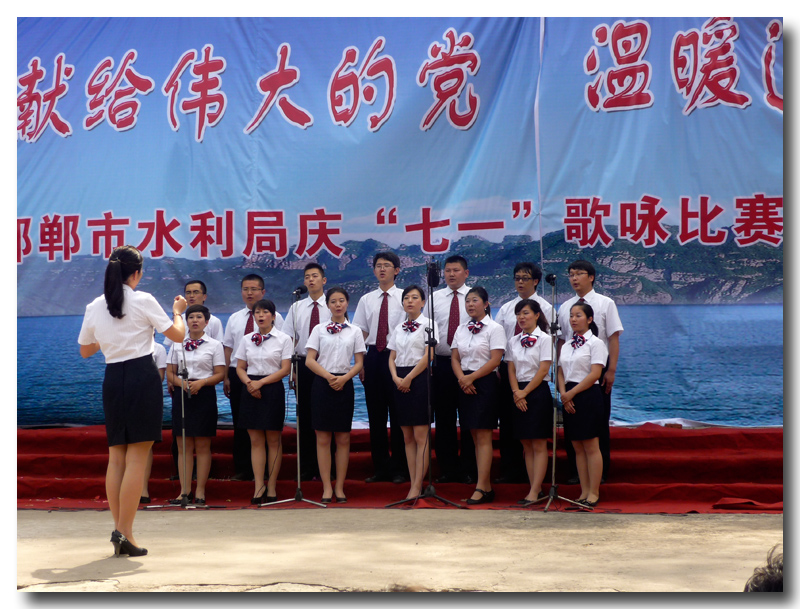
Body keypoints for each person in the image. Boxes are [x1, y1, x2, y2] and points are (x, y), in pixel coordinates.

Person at [78, 245, 187, 557]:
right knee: (137, 457)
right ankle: (124, 532)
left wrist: (110, 338)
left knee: (117, 458)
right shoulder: (143, 300)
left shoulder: (95, 305)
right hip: (141, 375)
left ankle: (120, 530)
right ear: (136, 273)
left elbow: (85, 350)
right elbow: (178, 335)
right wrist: (178, 312)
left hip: (113, 378)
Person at [556, 260, 623, 484]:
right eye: (571, 274)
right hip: (570, 368)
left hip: (596, 368)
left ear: (591, 277)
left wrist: (611, 370)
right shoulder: (565, 307)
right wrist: (559, 373)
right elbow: (561, 341)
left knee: (597, 423)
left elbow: (613, 338)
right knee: (572, 423)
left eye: (579, 274)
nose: (574, 278)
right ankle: (577, 472)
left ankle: (600, 473)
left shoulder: (605, 303)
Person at [494, 262, 554, 483]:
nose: (520, 282)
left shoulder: (546, 308)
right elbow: (498, 338)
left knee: (535, 432)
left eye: (525, 278)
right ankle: (510, 470)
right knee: (509, 423)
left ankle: (535, 480)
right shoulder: (506, 308)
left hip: (535, 372)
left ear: (536, 281)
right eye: (517, 278)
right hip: (511, 369)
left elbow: (552, 344)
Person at [306, 287, 366, 503]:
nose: (338, 305)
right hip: (323, 384)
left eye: (341, 301)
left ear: (347, 303)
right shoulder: (318, 329)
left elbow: (359, 362)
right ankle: (326, 487)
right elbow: (309, 360)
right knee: (322, 437)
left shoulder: (355, 331)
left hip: (344, 384)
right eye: (333, 301)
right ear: (328, 305)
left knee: (343, 437)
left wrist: (344, 378)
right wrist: (329, 377)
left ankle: (339, 486)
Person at [222, 274, 285, 481]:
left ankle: (268, 471)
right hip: (240, 374)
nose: (249, 293)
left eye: (254, 289)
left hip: (268, 375)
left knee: (268, 427)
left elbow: (282, 346)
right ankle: (244, 469)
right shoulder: (234, 318)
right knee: (242, 423)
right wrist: (226, 376)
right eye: (245, 289)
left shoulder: (277, 318)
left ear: (262, 292)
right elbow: (228, 348)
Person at [353, 252, 408, 484]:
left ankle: (399, 468)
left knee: (398, 414)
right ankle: (380, 468)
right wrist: (361, 363)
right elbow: (360, 332)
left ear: (397, 270)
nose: (382, 269)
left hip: (398, 356)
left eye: (387, 265)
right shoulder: (366, 299)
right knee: (376, 415)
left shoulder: (406, 296)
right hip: (373, 356)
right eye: (378, 266)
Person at [423, 254, 476, 484]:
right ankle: (447, 468)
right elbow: (425, 331)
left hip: (469, 366)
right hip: (441, 364)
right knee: (444, 418)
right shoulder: (434, 298)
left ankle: (469, 469)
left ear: (466, 273)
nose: (451, 274)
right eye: (447, 271)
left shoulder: (474, 297)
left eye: (456, 270)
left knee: (468, 418)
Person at [165, 304, 226, 505]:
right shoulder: (177, 344)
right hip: (182, 394)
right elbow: (170, 373)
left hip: (204, 394)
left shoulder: (214, 345)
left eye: (199, 317)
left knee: (202, 445)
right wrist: (181, 383)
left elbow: (220, 374)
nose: (194, 320)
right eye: (191, 317)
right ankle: (184, 491)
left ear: (206, 322)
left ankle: (200, 491)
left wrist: (202, 382)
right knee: (183, 445)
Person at [451, 287, 505, 505]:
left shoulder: (495, 328)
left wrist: (471, 378)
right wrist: (462, 379)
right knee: (473, 435)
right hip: (464, 383)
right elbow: (455, 358)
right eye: (468, 301)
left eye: (475, 300)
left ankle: (482, 486)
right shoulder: (461, 328)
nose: (470, 305)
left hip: (484, 383)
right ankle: (485, 487)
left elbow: (495, 360)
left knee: (483, 436)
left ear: (486, 303)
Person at [235, 299, 292, 504]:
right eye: (257, 312)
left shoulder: (283, 339)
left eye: (265, 312)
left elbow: (285, 369)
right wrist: (250, 384)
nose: (260, 315)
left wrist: (261, 383)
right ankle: (259, 486)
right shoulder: (247, 339)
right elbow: (240, 367)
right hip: (250, 388)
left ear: (273, 316)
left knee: (273, 440)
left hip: (272, 388)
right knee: (256, 441)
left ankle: (272, 486)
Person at [388, 285, 440, 500]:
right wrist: (395, 377)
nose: (410, 301)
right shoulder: (399, 327)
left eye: (415, 297)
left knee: (420, 435)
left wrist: (409, 378)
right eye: (406, 298)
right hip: (399, 378)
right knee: (407, 436)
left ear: (423, 302)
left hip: (419, 378)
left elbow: (429, 355)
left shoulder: (429, 325)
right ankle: (413, 482)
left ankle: (417, 485)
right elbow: (392, 356)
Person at [281, 262, 331, 481]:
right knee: (305, 416)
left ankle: (327, 468)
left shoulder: (332, 304)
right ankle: (307, 467)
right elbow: (290, 339)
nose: (311, 280)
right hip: (302, 364)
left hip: (327, 365)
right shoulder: (297, 307)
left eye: (315, 276)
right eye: (307, 277)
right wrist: (292, 368)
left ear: (324, 280)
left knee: (326, 416)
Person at [557, 301, 607, 507]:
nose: (573, 319)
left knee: (591, 445)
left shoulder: (596, 343)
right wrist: (563, 393)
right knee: (577, 446)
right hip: (568, 395)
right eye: (571, 315)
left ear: (589, 319)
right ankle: (584, 490)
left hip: (587, 395)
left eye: (578, 315)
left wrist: (571, 393)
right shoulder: (567, 345)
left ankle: (594, 491)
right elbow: (560, 371)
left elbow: (595, 374)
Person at [505, 299, 553, 505]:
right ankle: (535, 487)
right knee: (526, 442)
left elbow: (544, 369)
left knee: (538, 442)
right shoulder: (513, 341)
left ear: (536, 315)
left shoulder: (545, 339)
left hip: (537, 391)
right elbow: (511, 368)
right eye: (518, 314)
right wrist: (516, 392)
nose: (521, 317)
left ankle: (534, 491)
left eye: (525, 313)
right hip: (518, 393)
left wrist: (524, 392)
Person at [140, 336, 166, 504]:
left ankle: (143, 489)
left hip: (148, 398)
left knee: (145, 443)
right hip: (125, 397)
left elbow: (160, 378)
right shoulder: (126, 346)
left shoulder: (159, 349)